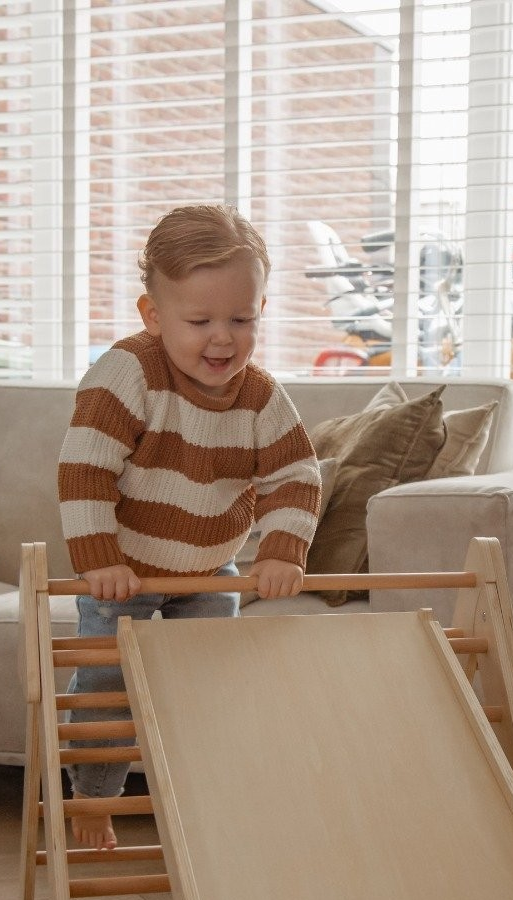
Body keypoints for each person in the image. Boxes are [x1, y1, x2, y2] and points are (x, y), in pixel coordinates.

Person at [58, 203, 322, 850]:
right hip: (124, 571)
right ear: (153, 316)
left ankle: (204, 798)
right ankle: (93, 801)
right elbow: (85, 468)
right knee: (105, 683)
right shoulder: (128, 373)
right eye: (200, 320)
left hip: (209, 573)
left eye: (242, 319)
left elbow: (296, 476)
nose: (223, 338)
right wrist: (100, 561)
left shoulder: (259, 395)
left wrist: (282, 550)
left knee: (209, 693)